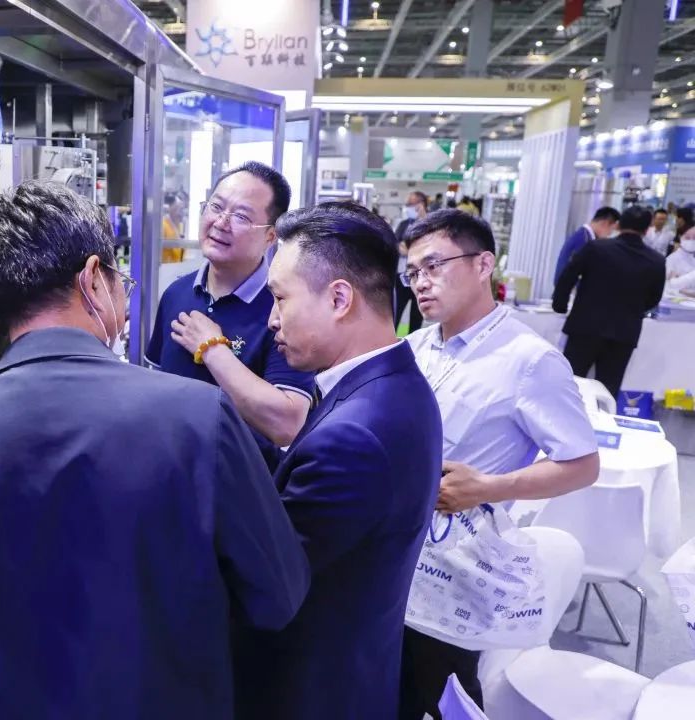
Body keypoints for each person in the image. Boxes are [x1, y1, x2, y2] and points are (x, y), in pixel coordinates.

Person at [0, 181, 310, 719]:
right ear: (92, 279)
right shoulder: (199, 418)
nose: (124, 304)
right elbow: (277, 593)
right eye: (120, 282)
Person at [234, 202, 444, 720]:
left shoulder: (356, 434)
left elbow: (267, 585)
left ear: (339, 298)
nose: (272, 319)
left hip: (309, 690)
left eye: (280, 297)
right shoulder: (394, 385)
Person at [400, 209, 600, 718]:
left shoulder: (529, 360)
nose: (421, 282)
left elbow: (582, 464)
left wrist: (489, 486)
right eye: (413, 271)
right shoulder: (416, 346)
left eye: (434, 266)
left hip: (454, 567)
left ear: (483, 264)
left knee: (442, 692)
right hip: (392, 550)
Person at [147, 161, 314, 452]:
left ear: (270, 235)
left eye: (240, 216)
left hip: (243, 476)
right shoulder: (176, 293)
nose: (221, 223)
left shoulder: (284, 307)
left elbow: (288, 423)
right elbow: (153, 387)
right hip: (171, 468)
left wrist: (213, 349)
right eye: (215, 207)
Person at [553, 205, 667, 399]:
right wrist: (633, 310)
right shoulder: (656, 261)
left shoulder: (596, 248)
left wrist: (560, 305)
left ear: (619, 225)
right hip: (624, 333)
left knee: (570, 386)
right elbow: (654, 298)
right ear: (646, 229)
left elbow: (567, 277)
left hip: (585, 327)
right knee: (607, 392)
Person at [553, 206, 620, 286]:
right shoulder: (584, 240)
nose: (609, 234)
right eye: (611, 229)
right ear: (605, 223)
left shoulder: (585, 236)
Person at [394, 191, 427, 333]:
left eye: (411, 204)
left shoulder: (429, 224)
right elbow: (396, 244)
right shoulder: (403, 224)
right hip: (401, 276)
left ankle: (414, 343)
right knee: (396, 313)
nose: (408, 207)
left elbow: (426, 246)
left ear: (421, 205)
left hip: (419, 277)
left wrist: (410, 250)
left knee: (416, 316)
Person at [664, 228, 695, 297]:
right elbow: (667, 285)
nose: (691, 241)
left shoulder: (692, 260)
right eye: (688, 237)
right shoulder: (671, 259)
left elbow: (674, 283)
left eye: (694, 239)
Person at [161, 191, 187, 262]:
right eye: (178, 208)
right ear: (171, 209)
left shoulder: (181, 226)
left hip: (178, 265)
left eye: (182, 209)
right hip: (167, 266)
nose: (181, 212)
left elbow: (182, 248)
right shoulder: (164, 225)